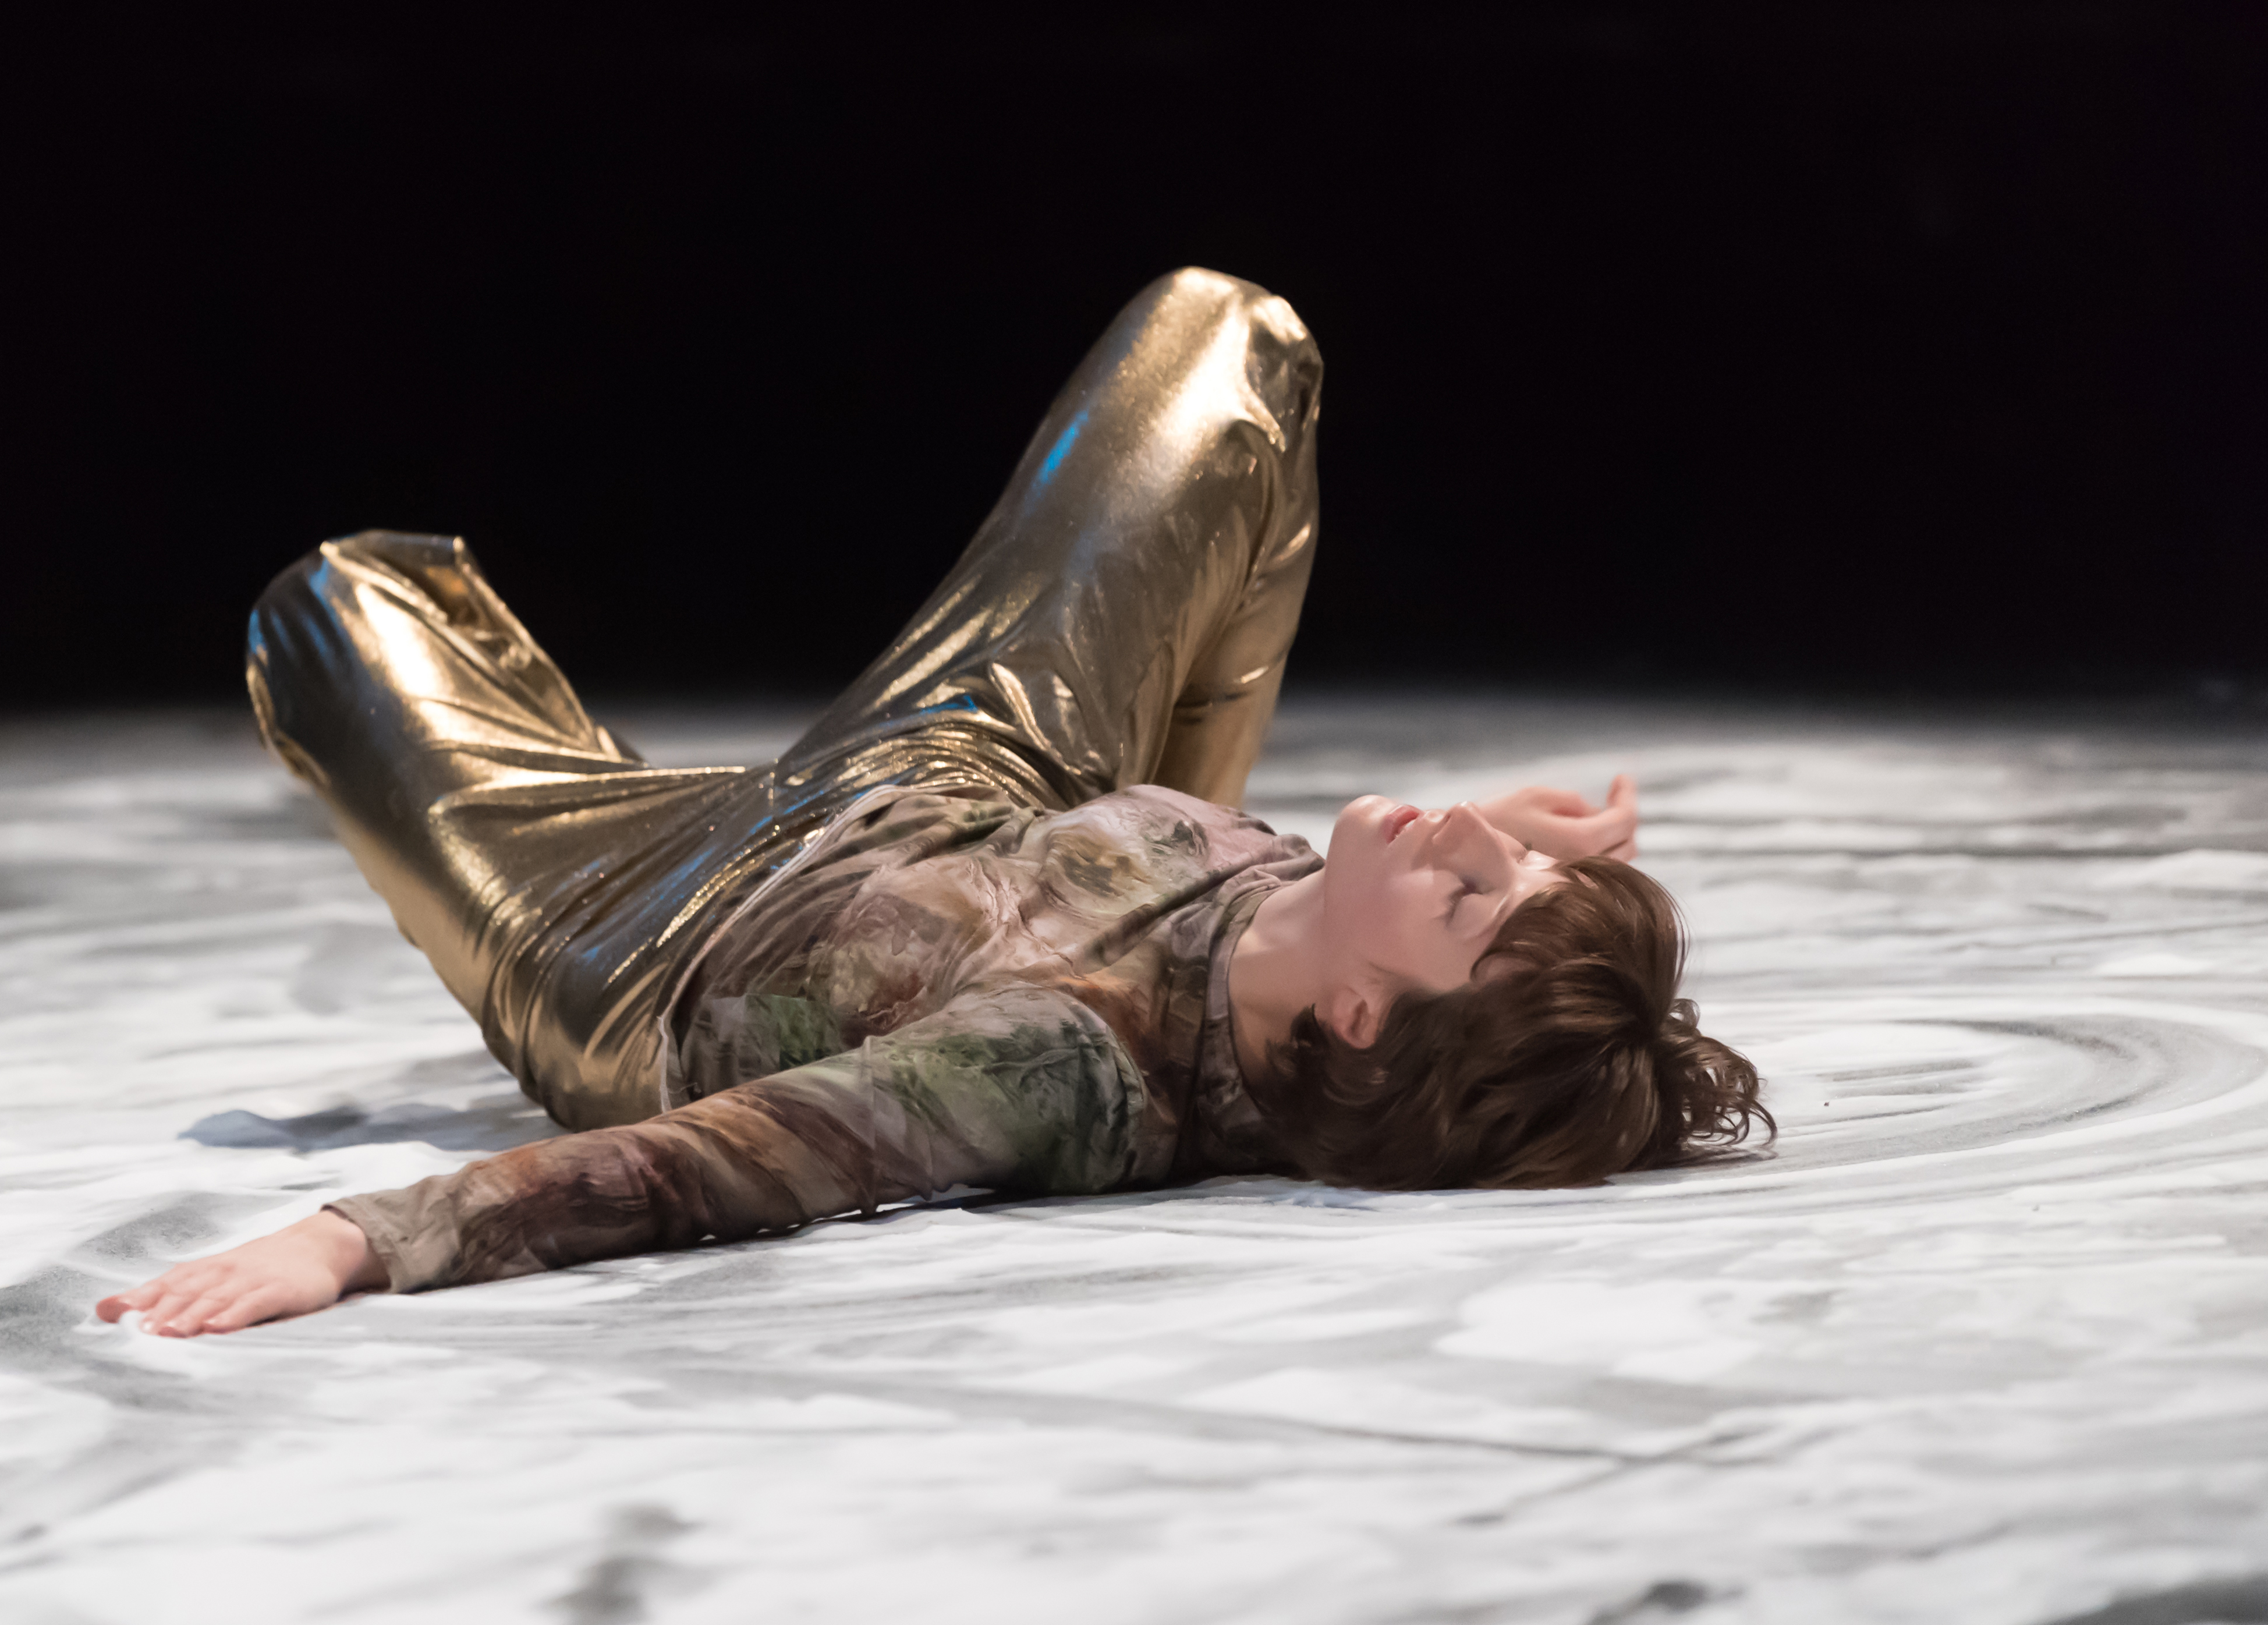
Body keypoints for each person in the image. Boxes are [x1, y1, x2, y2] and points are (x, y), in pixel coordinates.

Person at [98, 268, 1768, 1339]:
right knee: (1232, 344)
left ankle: (370, 632)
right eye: (1496, 873)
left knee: (326, 609)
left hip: (657, 937)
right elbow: (1414, 951)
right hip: (974, 783)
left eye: (1464, 901)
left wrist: (358, 1241)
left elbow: (708, 1165)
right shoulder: (1330, 969)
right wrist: (1500, 882)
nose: (1469, 838)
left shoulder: (1047, 1062)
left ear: (1344, 1013)